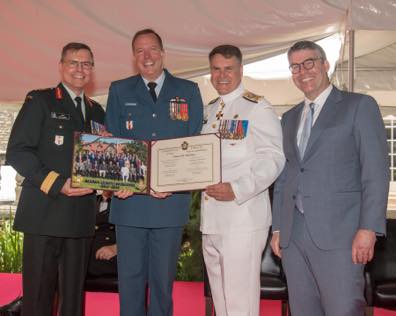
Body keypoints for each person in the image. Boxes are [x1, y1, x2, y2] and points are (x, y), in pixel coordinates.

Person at [270, 40, 389, 316]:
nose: (303, 71)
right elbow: (286, 176)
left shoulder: (359, 106)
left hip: (342, 235)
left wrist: (369, 228)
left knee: (343, 309)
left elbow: (375, 172)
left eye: (309, 62)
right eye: (295, 66)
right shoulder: (288, 118)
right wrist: (278, 228)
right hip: (293, 236)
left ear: (326, 64)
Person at [105, 28, 203, 316]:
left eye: (152, 49)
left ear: (162, 52)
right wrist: (117, 181)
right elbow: (114, 143)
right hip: (129, 202)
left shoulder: (188, 91)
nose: (146, 56)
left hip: (169, 203)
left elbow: (194, 144)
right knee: (131, 282)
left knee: (162, 284)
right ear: (134, 57)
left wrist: (173, 183)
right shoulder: (119, 90)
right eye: (139, 51)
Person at [6, 42, 105, 316]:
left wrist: (111, 184)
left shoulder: (97, 111)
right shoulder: (40, 101)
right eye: (73, 62)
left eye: (86, 63)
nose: (80, 69)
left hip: (80, 218)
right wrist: (57, 182)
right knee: (38, 298)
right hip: (44, 215)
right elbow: (17, 152)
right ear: (61, 66)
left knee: (73, 301)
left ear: (92, 70)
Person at [200, 45, 285, 316]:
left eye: (228, 68)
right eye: (216, 69)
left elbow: (273, 158)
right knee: (221, 300)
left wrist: (237, 189)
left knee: (240, 301)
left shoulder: (257, 107)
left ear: (240, 70)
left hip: (242, 216)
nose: (222, 75)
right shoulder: (208, 111)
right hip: (211, 218)